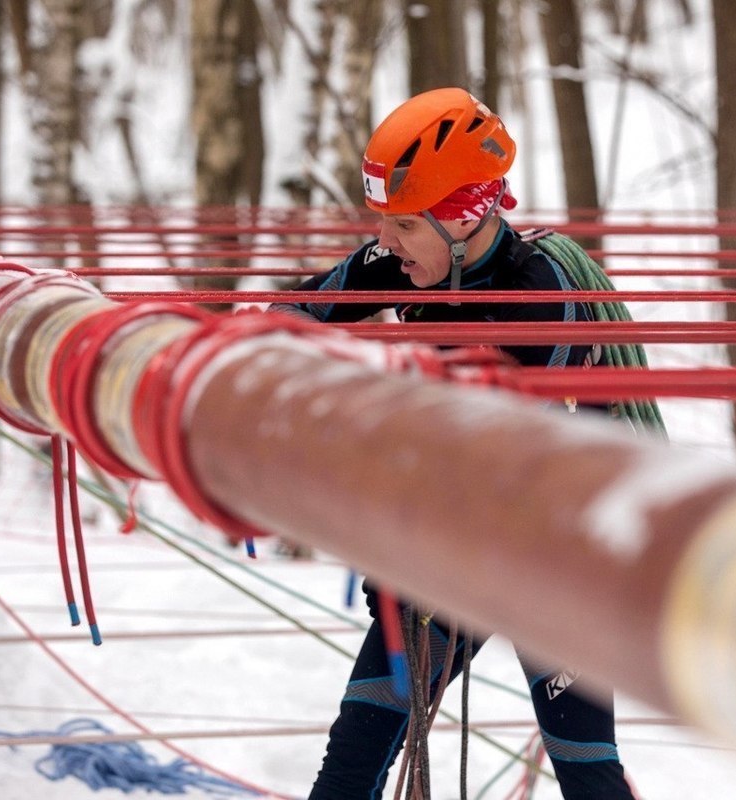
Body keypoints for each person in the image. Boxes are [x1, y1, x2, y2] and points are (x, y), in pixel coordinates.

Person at [269, 87, 636, 800]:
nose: (388, 243)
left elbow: (492, 442)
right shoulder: (403, 260)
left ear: (465, 220)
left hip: (556, 562)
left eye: (404, 225)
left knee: (588, 774)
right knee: (348, 768)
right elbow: (291, 313)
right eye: (383, 224)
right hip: (449, 562)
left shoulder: (545, 293)